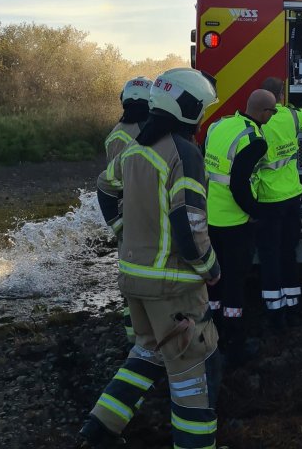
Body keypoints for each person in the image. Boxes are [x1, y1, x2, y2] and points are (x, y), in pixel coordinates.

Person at [79, 68, 222, 449]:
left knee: (147, 354)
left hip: (135, 280)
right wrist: (210, 267)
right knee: (195, 373)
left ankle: (99, 429)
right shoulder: (184, 153)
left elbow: (105, 185)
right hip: (173, 287)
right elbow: (189, 224)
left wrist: (121, 228)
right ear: (190, 108)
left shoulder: (136, 148)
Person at [204, 88, 278, 365]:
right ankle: (234, 342)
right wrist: (256, 212)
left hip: (211, 216)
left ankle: (211, 332)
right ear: (264, 112)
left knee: (214, 278)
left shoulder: (220, 125)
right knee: (235, 283)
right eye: (273, 111)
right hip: (235, 222)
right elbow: (238, 185)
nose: (273, 115)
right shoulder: (255, 141)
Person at [254, 77, 302, 329]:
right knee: (288, 252)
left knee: (269, 255)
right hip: (292, 198)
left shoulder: (256, 121)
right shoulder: (292, 116)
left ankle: (275, 312)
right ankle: (293, 306)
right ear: (281, 96)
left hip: (267, 200)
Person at [101, 75, 153, 343]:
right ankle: (144, 336)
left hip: (126, 213)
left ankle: (134, 338)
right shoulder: (143, 133)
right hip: (140, 211)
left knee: (130, 276)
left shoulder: (116, 132)